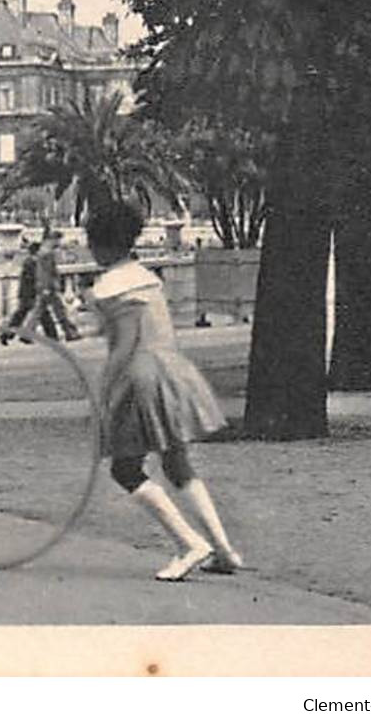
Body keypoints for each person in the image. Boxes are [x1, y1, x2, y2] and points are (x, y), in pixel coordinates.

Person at [85, 200, 243, 581]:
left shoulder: (107, 287)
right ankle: (222, 549)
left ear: (101, 245)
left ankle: (189, 544)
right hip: (172, 369)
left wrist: (104, 392)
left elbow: (124, 344)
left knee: (125, 469)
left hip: (139, 377)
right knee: (177, 462)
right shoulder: (147, 277)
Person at [0, 242, 56, 345]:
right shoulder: (33, 263)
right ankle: (51, 337)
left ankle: (7, 334)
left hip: (26, 293)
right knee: (42, 315)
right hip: (31, 293)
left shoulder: (29, 262)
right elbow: (36, 278)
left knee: (21, 315)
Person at [35, 230, 82, 341]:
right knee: (58, 311)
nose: (59, 242)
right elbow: (48, 271)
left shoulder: (43, 252)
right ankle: (69, 333)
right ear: (53, 240)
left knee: (41, 311)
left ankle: (67, 332)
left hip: (44, 285)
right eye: (58, 240)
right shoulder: (48, 253)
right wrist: (50, 285)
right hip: (48, 286)